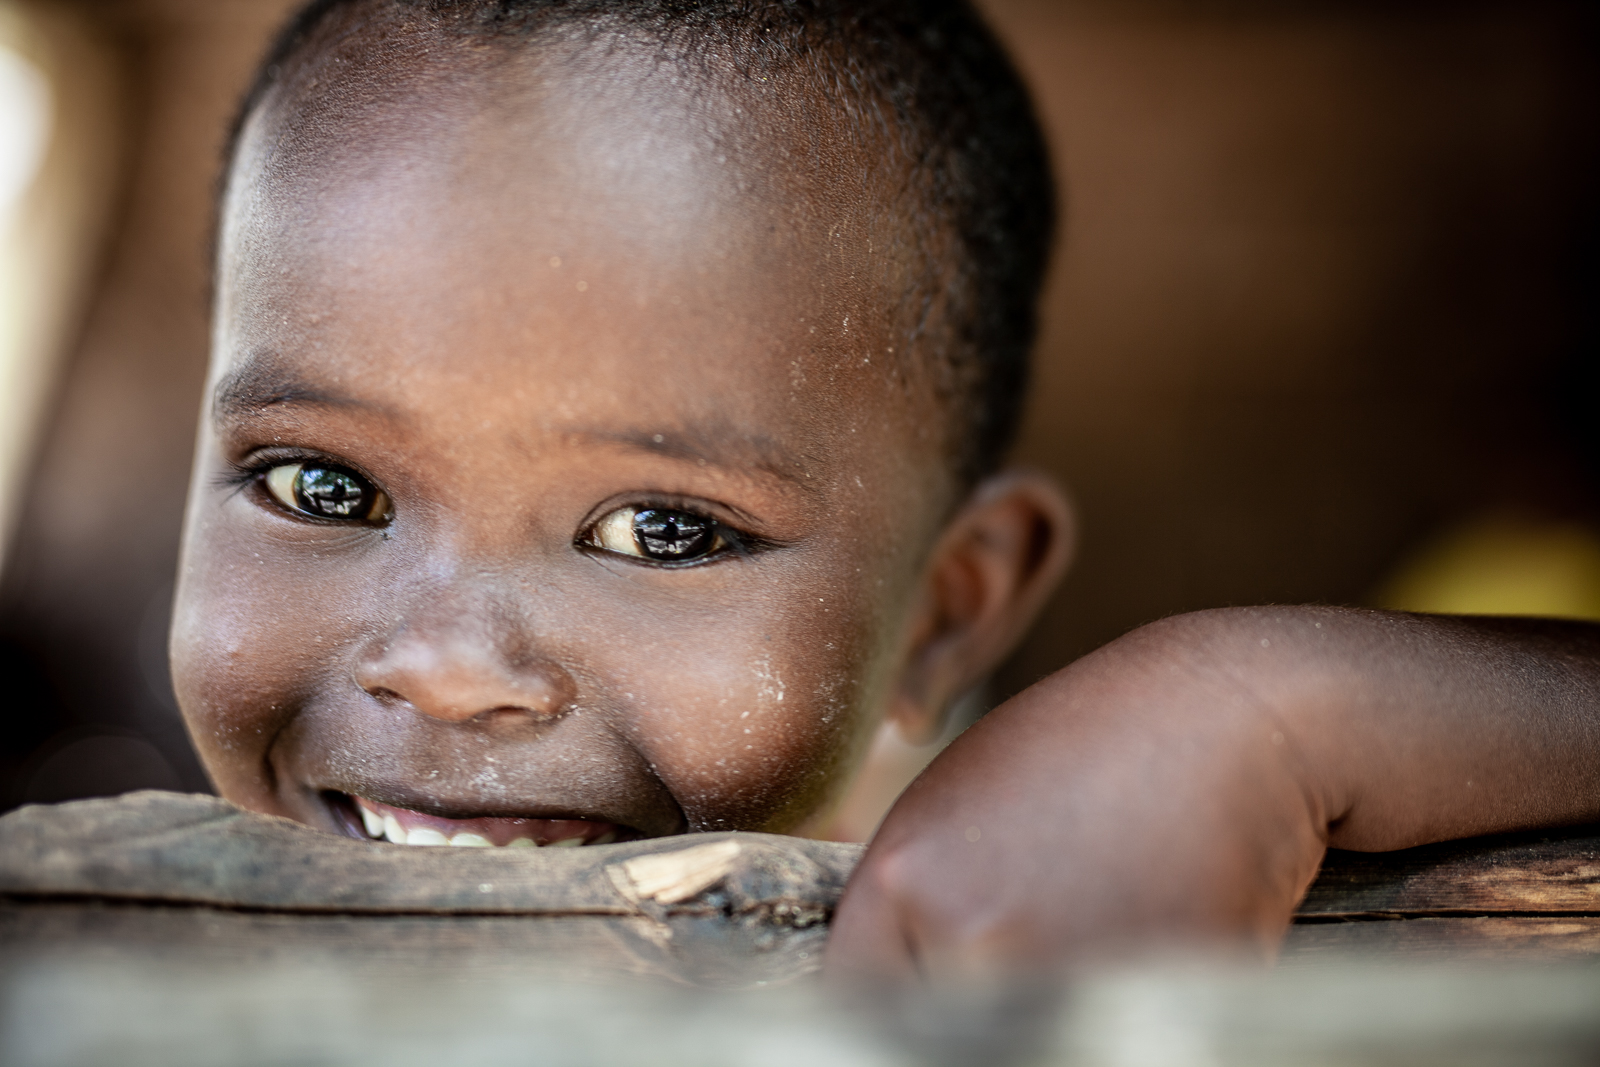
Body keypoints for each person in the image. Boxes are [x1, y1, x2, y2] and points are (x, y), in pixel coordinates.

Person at [171, 0, 1600, 981]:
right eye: (322, 484)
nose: (441, 669)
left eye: (662, 529)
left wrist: (1273, 704)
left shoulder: (999, 957)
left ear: (945, 621)